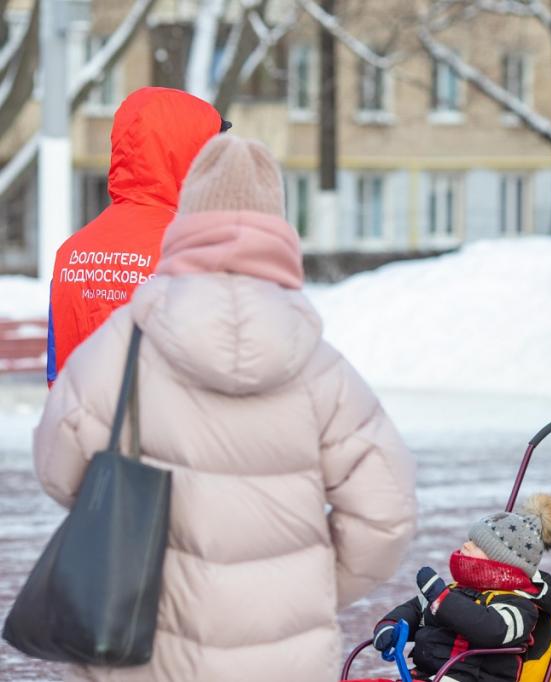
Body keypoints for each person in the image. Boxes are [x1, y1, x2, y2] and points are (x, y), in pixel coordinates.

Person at [32, 135, 417, 682]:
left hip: (139, 638)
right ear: (279, 229)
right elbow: (387, 511)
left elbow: (56, 467)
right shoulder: (321, 368)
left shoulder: (123, 345)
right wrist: (313, 584)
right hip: (283, 655)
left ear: (186, 220)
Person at [46, 86, 228, 385]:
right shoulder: (193, 250)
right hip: (162, 429)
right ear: (188, 153)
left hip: (80, 425)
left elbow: (56, 368)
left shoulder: (71, 252)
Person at [370, 494, 551, 682]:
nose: (465, 545)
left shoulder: (520, 606)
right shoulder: (458, 589)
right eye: (469, 539)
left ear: (500, 561)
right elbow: (416, 609)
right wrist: (390, 625)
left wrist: (442, 599)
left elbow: (491, 629)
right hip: (429, 675)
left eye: (477, 544)